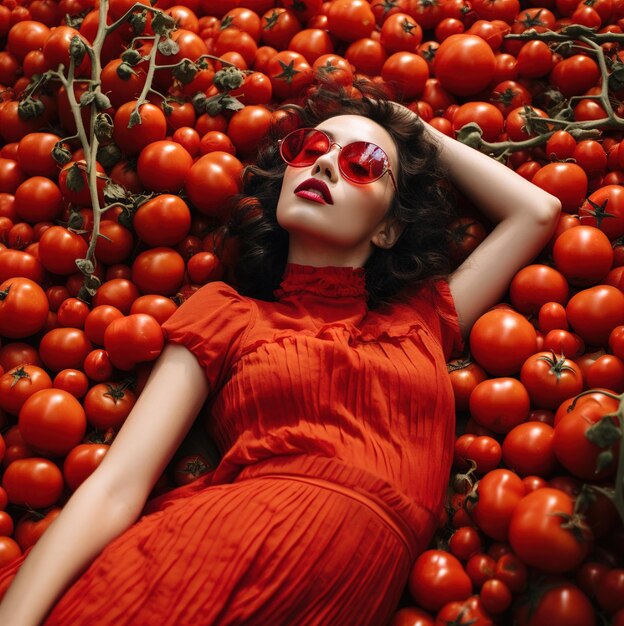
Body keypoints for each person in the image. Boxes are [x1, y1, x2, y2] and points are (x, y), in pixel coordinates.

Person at [0, 86, 561, 626]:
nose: (322, 165)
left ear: (389, 228)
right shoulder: (224, 314)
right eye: (310, 148)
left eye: (362, 163)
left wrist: (402, 123)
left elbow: (536, 211)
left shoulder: (420, 319)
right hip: (195, 568)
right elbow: (118, 485)